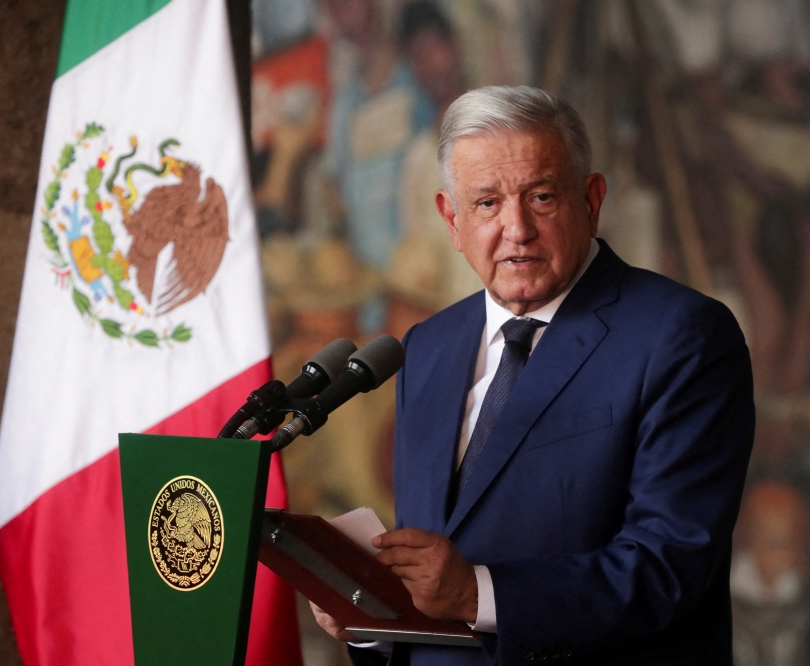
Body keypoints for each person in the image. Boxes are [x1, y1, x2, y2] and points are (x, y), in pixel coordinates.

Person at [313, 86, 755, 664]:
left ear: (591, 200)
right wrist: (368, 612)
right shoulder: (428, 347)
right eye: (487, 204)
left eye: (541, 197)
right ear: (452, 218)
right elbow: (431, 581)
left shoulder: (683, 336)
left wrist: (480, 593)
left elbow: (669, 565)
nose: (516, 229)